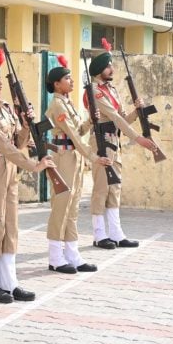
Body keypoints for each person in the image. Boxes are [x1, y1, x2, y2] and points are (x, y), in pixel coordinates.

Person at [0, 51, 54, 303]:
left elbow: (17, 141)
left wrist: (27, 123)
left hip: (9, 169)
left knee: (11, 228)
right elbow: (3, 145)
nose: (0, 83)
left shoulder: (5, 108)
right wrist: (33, 165)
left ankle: (9, 282)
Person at [85, 40, 158, 248]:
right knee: (101, 189)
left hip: (114, 141)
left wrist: (138, 111)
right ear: (100, 70)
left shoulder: (112, 90)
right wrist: (138, 139)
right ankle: (99, 235)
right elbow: (116, 118)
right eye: (108, 66)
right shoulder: (95, 92)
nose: (112, 69)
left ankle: (116, 233)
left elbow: (124, 117)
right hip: (101, 142)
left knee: (115, 188)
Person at [43, 55, 110, 274]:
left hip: (74, 157)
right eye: (67, 79)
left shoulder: (67, 103)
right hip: (64, 158)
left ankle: (72, 252)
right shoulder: (57, 105)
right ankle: (55, 255)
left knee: (72, 208)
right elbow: (72, 135)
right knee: (61, 206)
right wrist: (93, 157)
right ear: (56, 84)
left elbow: (79, 129)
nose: (71, 82)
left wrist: (91, 120)